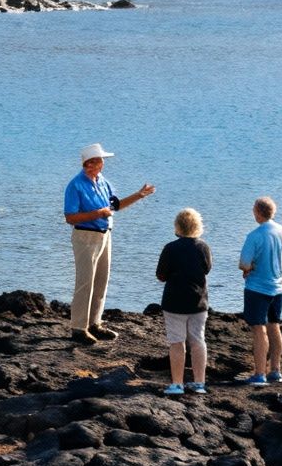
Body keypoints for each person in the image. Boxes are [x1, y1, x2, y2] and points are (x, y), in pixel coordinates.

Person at [62, 143, 154, 344]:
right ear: (89, 164)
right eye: (99, 160)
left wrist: (139, 195)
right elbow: (70, 217)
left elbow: (116, 205)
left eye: (101, 161)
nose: (102, 164)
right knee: (85, 281)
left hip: (104, 235)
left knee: (101, 280)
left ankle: (95, 323)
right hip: (85, 237)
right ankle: (78, 327)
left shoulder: (103, 182)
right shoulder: (75, 185)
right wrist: (97, 214)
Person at [154, 208, 211, 395]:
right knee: (198, 341)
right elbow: (207, 269)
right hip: (198, 301)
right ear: (197, 226)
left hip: (174, 302)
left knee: (176, 342)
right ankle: (199, 383)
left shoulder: (170, 248)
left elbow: (161, 275)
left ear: (177, 226)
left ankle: (177, 383)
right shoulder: (203, 247)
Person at [237, 196, 282, 385]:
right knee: (274, 325)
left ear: (258, 212)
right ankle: (275, 370)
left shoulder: (255, 235)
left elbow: (244, 263)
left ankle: (259, 373)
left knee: (259, 329)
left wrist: (248, 269)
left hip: (258, 287)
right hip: (279, 286)